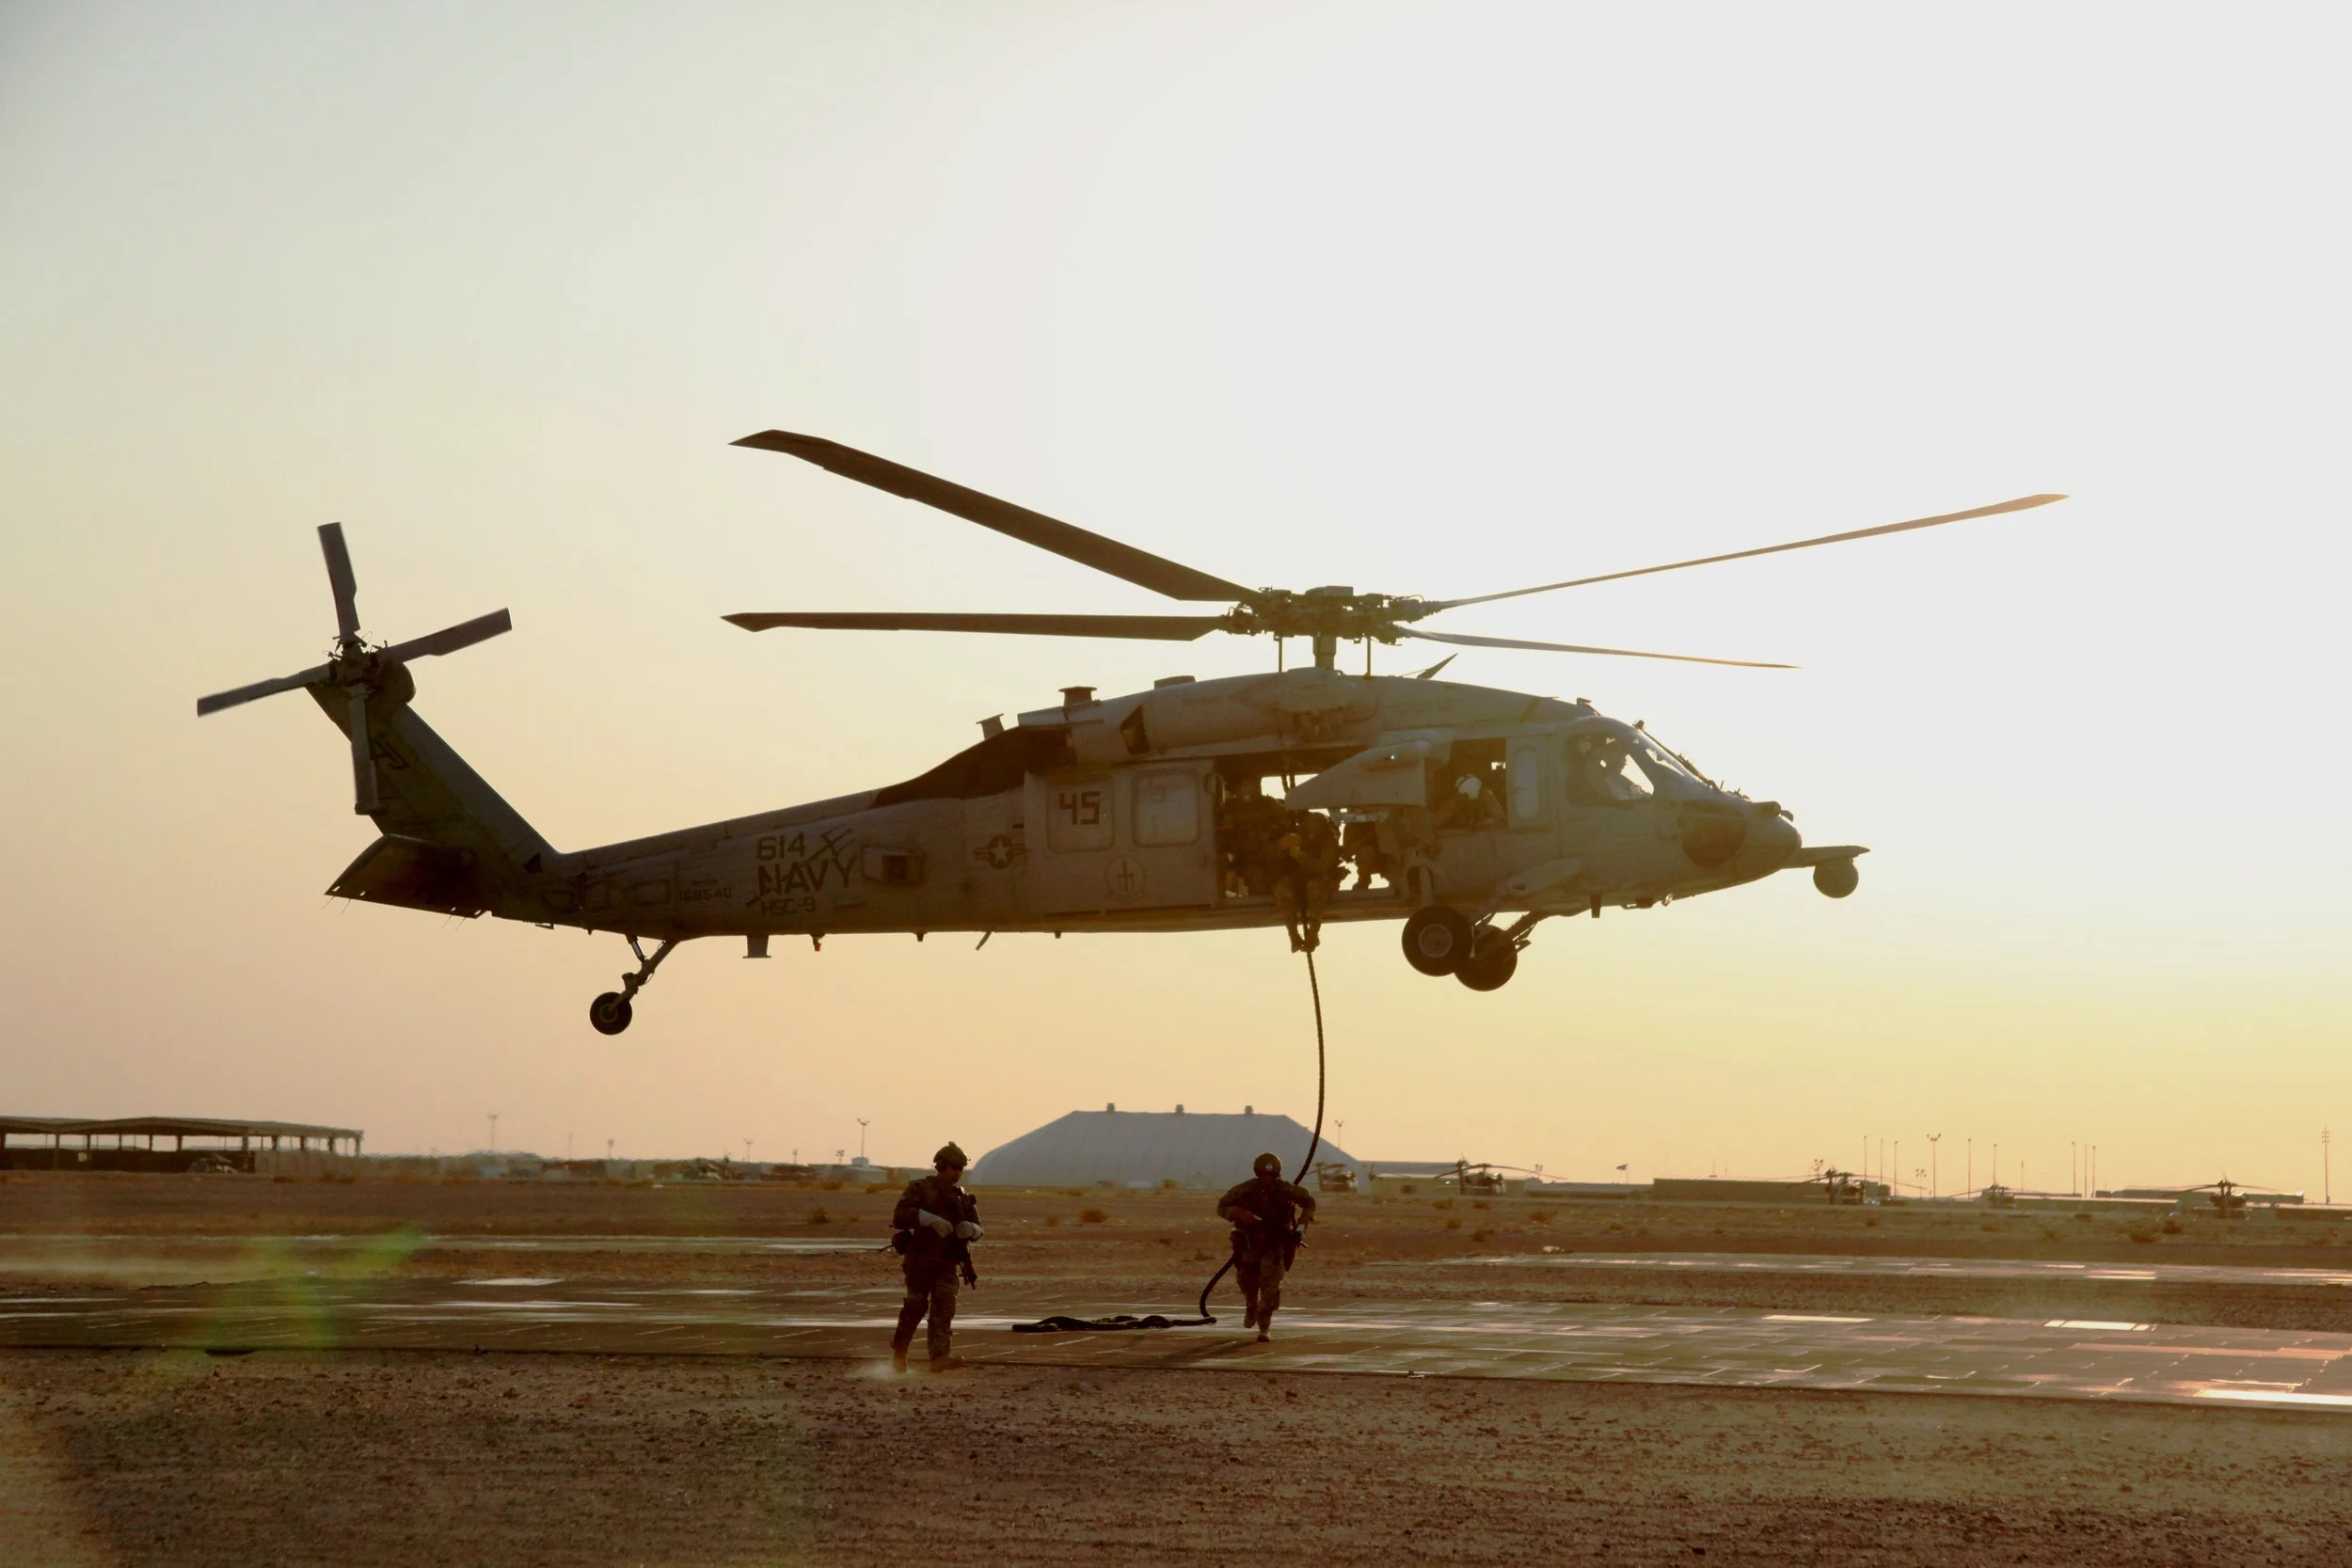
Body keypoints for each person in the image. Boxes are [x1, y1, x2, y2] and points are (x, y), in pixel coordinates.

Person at [889, 1142, 983, 1372]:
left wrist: (969, 1229)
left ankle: (939, 1356)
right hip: (921, 1259)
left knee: (944, 1307)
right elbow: (900, 1217)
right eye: (954, 1167)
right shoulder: (920, 1189)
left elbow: (979, 1229)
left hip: (948, 1261)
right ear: (941, 1165)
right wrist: (927, 1219)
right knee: (915, 1307)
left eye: (961, 1168)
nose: (958, 1173)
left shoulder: (963, 1197)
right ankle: (899, 1353)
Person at [1216, 1151, 1318, 1341]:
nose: (1267, 1178)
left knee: (1270, 1286)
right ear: (1257, 1173)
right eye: (1263, 1174)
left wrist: (1303, 1224)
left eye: (1271, 1175)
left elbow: (1309, 1202)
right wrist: (1237, 1213)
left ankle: (1264, 1326)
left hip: (1276, 1244)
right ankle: (1250, 1304)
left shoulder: (1288, 1190)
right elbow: (1222, 1207)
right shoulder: (1244, 1190)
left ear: (1277, 1174)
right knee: (1246, 1281)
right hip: (1249, 1243)